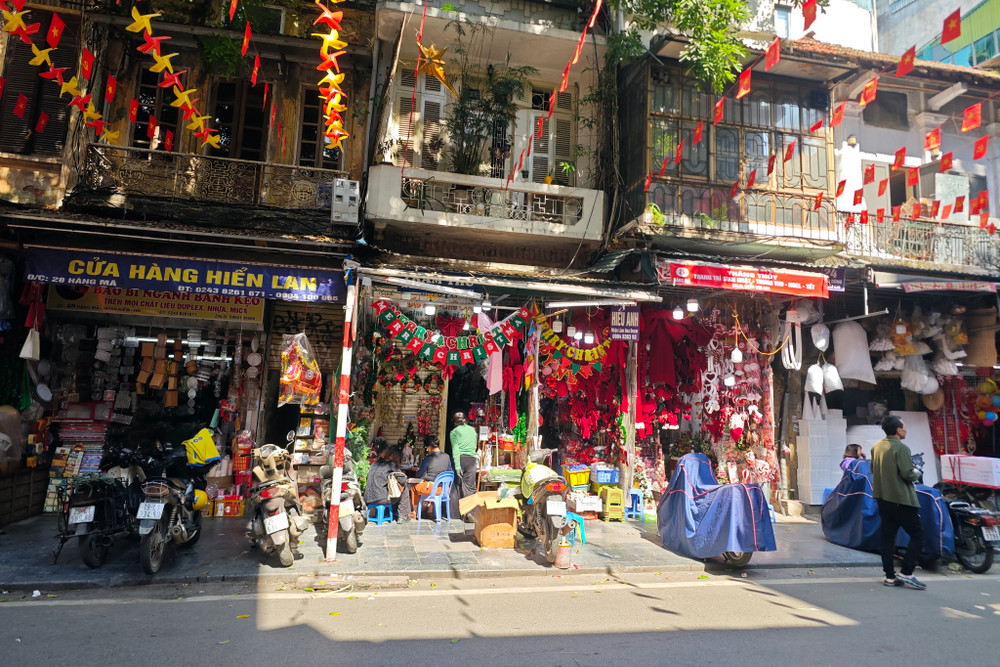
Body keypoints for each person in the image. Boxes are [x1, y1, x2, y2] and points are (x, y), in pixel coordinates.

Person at [871, 416, 926, 590]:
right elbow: (908, 474)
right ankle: (906, 572)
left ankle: (890, 577)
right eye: (904, 427)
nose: (906, 430)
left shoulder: (876, 446)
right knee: (918, 535)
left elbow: (873, 469)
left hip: (882, 499)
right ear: (898, 430)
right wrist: (917, 471)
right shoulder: (901, 448)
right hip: (901, 500)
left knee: (887, 539)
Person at [404, 436, 452, 519]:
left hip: (432, 489)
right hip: (444, 489)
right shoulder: (447, 457)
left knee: (413, 487)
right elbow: (448, 471)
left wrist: (420, 471)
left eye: (427, 447)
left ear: (429, 447)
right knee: (426, 485)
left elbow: (419, 474)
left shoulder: (428, 458)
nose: (427, 449)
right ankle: (430, 509)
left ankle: (415, 512)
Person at [364, 444, 406, 519]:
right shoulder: (391, 464)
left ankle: (390, 512)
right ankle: (403, 516)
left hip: (368, 498)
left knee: (390, 491)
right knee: (405, 489)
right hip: (380, 499)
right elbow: (403, 480)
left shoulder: (376, 463)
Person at [449, 412, 479, 497]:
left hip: (460, 459)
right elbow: (475, 445)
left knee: (456, 487)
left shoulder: (454, 432)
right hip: (471, 460)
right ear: (465, 419)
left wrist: (457, 466)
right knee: (470, 487)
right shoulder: (472, 430)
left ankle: (457, 505)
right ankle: (470, 505)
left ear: (454, 422)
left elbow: (455, 450)